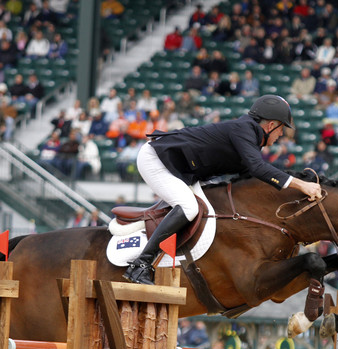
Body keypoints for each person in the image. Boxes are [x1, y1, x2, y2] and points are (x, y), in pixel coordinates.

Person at [123, 95, 322, 286]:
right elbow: (258, 169)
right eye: (281, 129)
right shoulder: (244, 129)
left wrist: (299, 183)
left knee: (207, 209)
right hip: (156, 160)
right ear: (271, 125)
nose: (281, 135)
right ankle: (140, 265)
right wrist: (301, 184)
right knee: (189, 208)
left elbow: (253, 176)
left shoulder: (249, 136)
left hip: (180, 169)